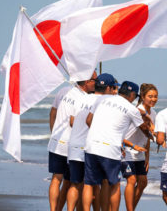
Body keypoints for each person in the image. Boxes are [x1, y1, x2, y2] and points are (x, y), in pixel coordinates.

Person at [82, 81, 147, 211]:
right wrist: (153, 136)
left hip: (91, 145)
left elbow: (88, 121)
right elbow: (143, 128)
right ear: (133, 95)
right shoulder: (131, 109)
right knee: (114, 185)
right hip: (110, 149)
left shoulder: (102, 99)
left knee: (88, 184)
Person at [66, 73, 119, 211]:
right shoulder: (105, 102)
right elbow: (93, 123)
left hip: (74, 144)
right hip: (91, 147)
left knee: (75, 184)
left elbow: (72, 121)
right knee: (101, 183)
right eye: (113, 88)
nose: (114, 91)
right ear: (108, 88)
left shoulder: (82, 98)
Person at [48, 71, 97, 211]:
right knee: (73, 182)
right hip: (71, 144)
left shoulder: (63, 90)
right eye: (95, 79)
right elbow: (73, 121)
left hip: (56, 141)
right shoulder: (83, 98)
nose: (97, 82)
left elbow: (53, 112)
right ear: (87, 82)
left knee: (56, 179)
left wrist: (53, 132)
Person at [122, 83, 158, 211]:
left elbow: (147, 137)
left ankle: (131, 208)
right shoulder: (137, 111)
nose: (153, 99)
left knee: (143, 182)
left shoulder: (153, 113)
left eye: (155, 96)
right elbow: (146, 130)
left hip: (140, 152)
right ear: (142, 96)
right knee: (131, 180)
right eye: (150, 96)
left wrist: (148, 157)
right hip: (127, 150)